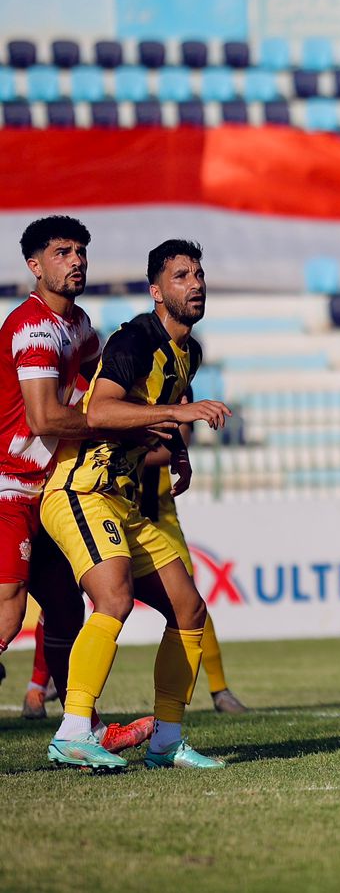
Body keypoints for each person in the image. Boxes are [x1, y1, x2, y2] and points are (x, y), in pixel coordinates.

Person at [39, 239, 233, 771]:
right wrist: (182, 410)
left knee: (189, 608)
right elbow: (101, 410)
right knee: (114, 595)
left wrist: (179, 454)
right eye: (180, 276)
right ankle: (73, 731)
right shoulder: (133, 340)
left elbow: (156, 421)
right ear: (156, 291)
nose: (194, 284)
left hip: (124, 500)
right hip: (79, 489)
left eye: (198, 273)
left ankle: (167, 740)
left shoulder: (188, 351)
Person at [4, 216, 154, 754]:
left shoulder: (82, 326)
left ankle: (78, 729)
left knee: (69, 607)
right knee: (10, 607)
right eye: (62, 252)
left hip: (48, 487)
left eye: (81, 252)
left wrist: (138, 412)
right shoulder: (34, 327)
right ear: (35, 265)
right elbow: (46, 421)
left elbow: (99, 395)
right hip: (10, 485)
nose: (76, 261)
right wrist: (124, 421)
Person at [137, 455, 248, 713]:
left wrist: (127, 446)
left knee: (191, 603)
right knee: (74, 592)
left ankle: (220, 690)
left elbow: (174, 446)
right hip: (110, 507)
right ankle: (51, 678)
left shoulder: (171, 411)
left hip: (159, 516)